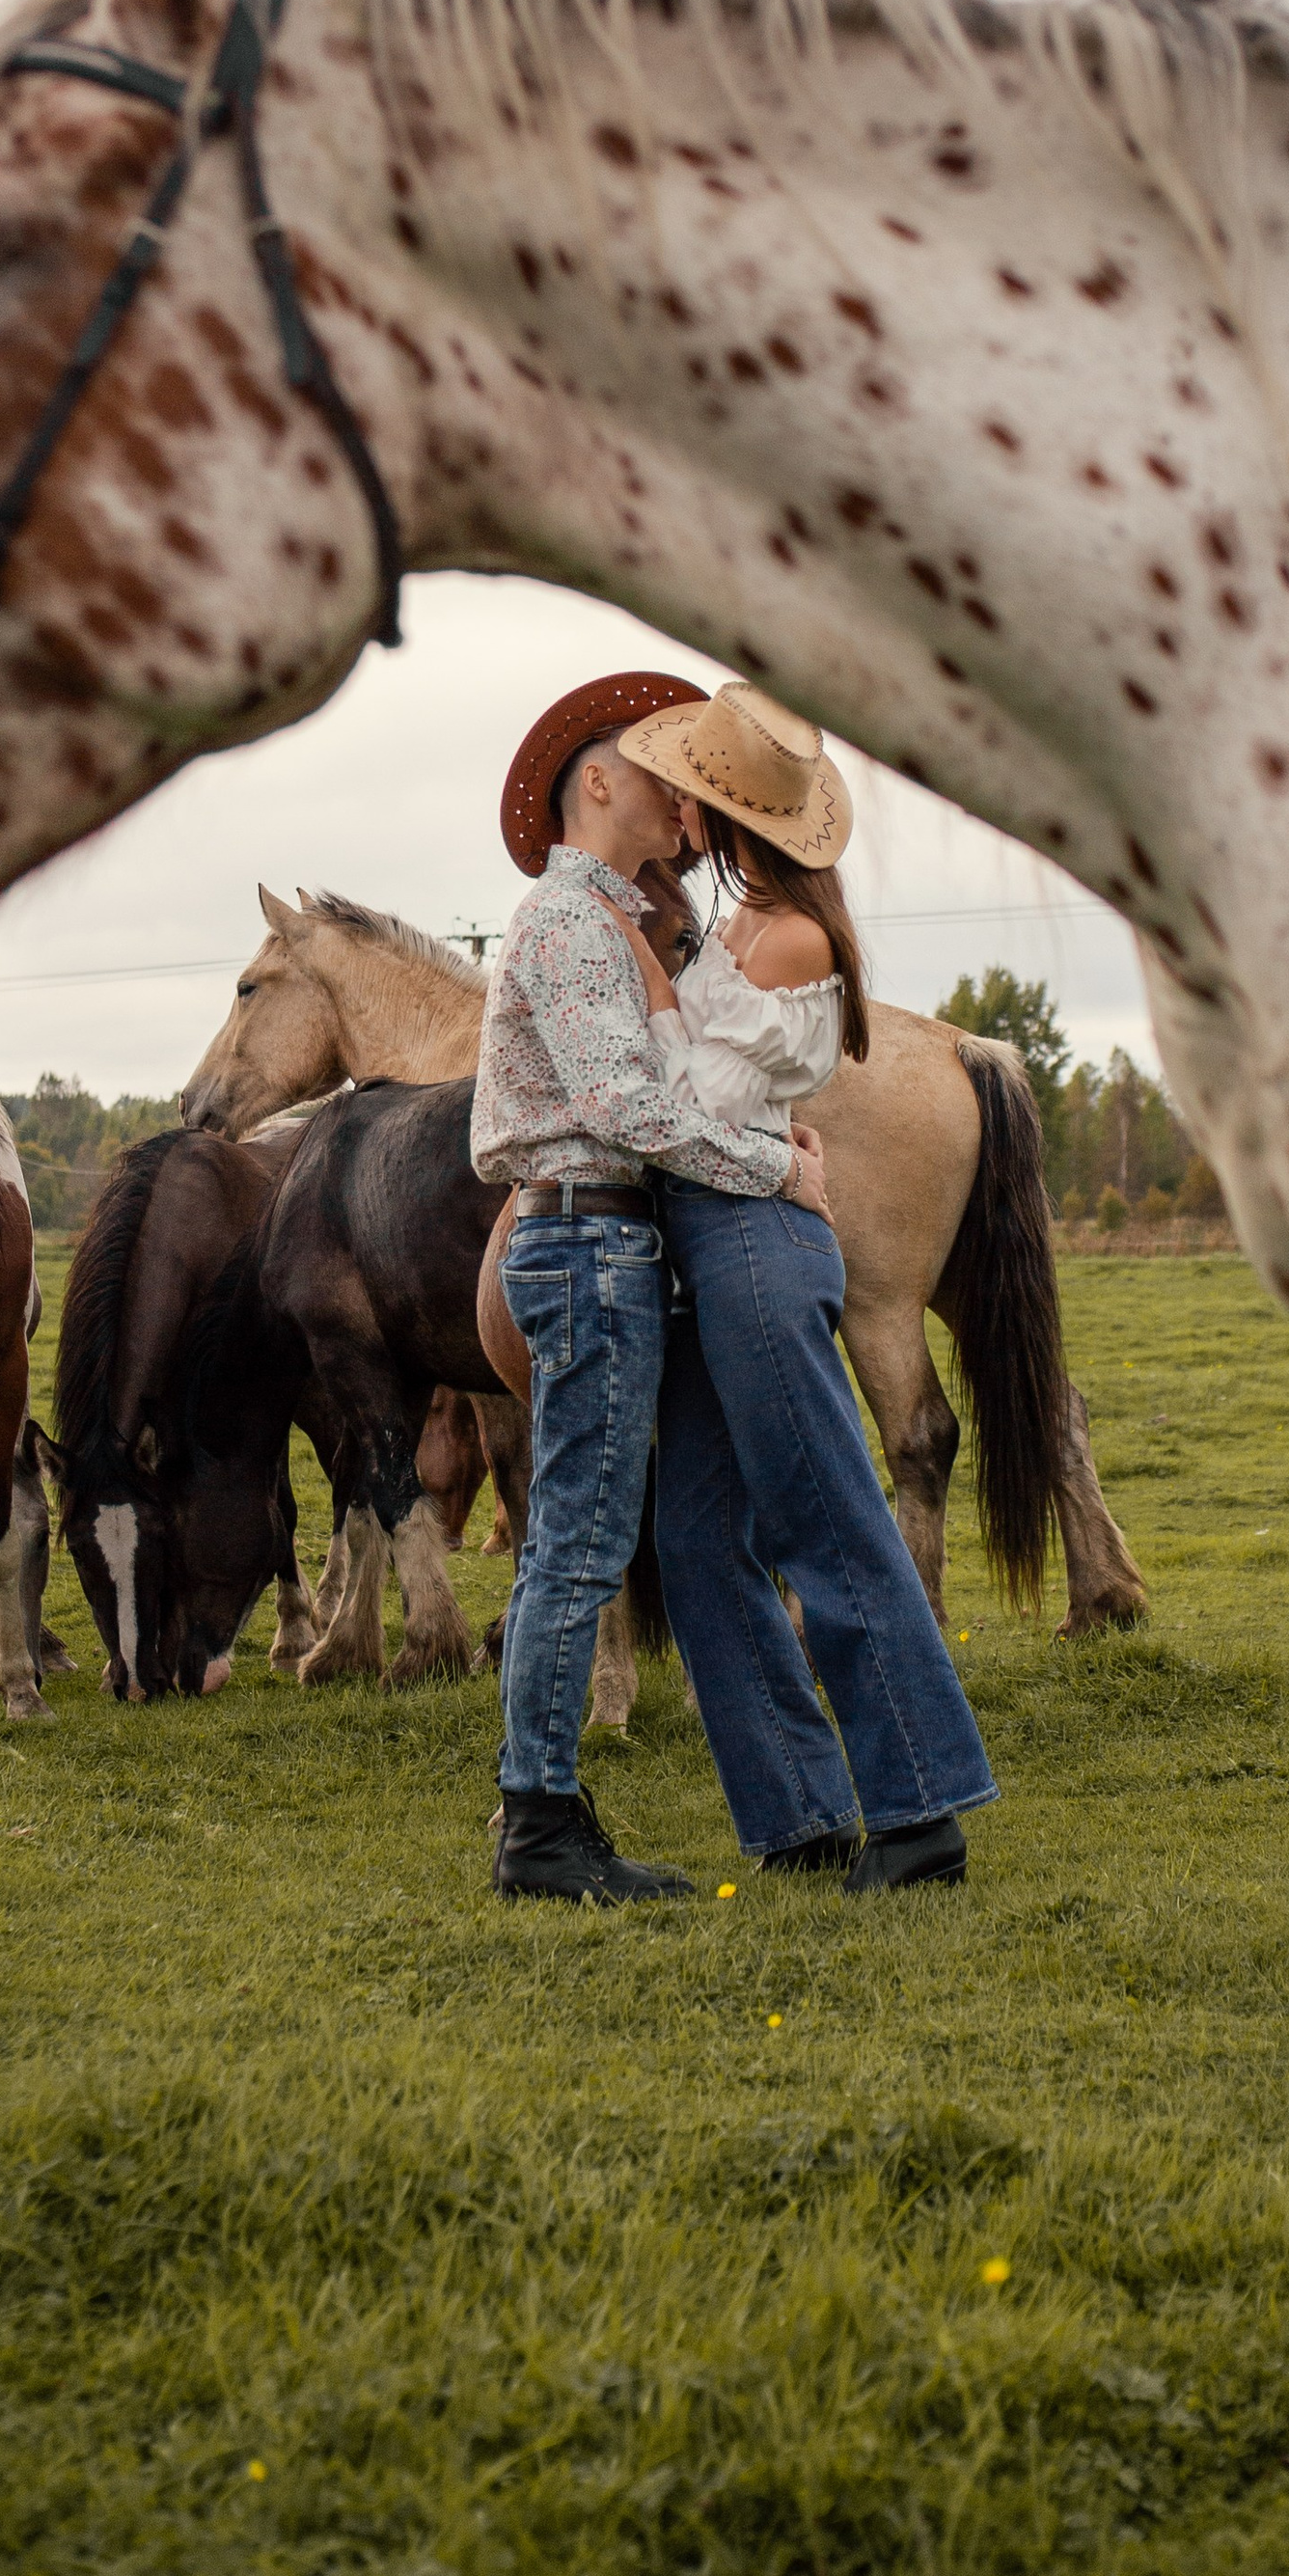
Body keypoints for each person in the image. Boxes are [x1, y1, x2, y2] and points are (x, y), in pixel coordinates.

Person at [612, 681, 998, 1890]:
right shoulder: (741, 926)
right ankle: (797, 1813)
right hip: (716, 1238)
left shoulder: (793, 940)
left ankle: (921, 1812)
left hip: (752, 1243)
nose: (676, 806)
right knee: (692, 1534)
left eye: (694, 795)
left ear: (734, 821)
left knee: (822, 1516)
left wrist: (655, 979)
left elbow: (696, 1108)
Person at [472, 672, 835, 1905]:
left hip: (597, 1242)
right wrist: (776, 1170)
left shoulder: (608, 919)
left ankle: (544, 1810)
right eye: (653, 762)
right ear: (597, 782)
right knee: (577, 1542)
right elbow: (627, 1106)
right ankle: (540, 1826)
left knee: (578, 1537)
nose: (679, 785)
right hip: (589, 1242)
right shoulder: (571, 926)